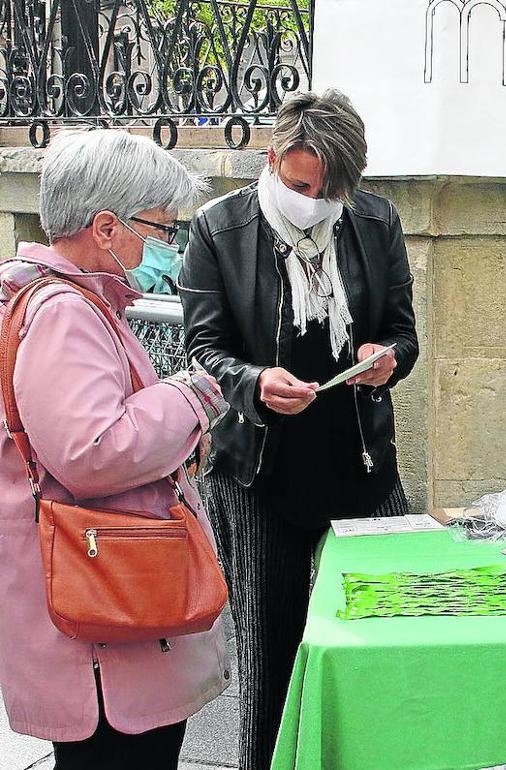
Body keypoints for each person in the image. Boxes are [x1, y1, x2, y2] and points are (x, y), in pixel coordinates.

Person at [180, 89, 419, 770]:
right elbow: (200, 351)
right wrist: (254, 382)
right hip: (260, 473)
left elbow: (404, 333)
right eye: (300, 184)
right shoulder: (219, 230)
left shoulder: (375, 220)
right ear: (272, 157)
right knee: (272, 660)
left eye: (332, 190)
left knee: (384, 642)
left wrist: (387, 359)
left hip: (362, 466)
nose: (315, 201)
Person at [0, 129, 229, 769]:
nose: (165, 247)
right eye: (159, 230)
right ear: (106, 227)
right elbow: (91, 451)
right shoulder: (65, 312)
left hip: (106, 613)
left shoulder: (69, 302)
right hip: (104, 624)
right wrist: (193, 398)